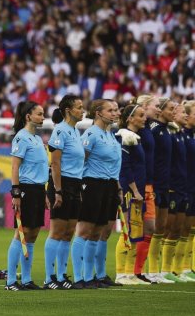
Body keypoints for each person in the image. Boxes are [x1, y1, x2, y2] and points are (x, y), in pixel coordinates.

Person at [70, 99, 121, 289]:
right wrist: (79, 185)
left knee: (98, 231)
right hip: (92, 184)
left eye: (116, 110)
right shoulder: (91, 134)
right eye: (111, 110)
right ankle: (78, 277)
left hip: (108, 185)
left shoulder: (110, 135)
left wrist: (116, 184)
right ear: (98, 113)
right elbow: (79, 160)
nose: (115, 113)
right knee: (85, 230)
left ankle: (92, 276)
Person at [5, 101, 48, 291]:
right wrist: (16, 192)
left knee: (33, 234)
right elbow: (15, 167)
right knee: (21, 233)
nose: (43, 117)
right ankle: (11, 281)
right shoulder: (21, 138)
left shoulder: (38, 139)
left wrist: (45, 192)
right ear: (28, 116)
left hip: (38, 189)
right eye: (39, 114)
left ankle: (27, 279)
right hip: (26, 189)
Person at [43, 94, 84, 289]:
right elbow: (56, 163)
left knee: (68, 232)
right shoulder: (60, 131)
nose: (82, 110)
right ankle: (50, 277)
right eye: (79, 107)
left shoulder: (75, 131)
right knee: (57, 231)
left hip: (75, 184)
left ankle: (61, 275)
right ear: (68, 110)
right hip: (62, 184)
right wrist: (57, 191)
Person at [128, 95, 162, 284]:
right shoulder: (133, 131)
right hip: (137, 185)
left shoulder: (149, 128)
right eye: (155, 106)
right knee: (135, 228)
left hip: (149, 184)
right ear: (143, 106)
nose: (158, 109)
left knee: (149, 227)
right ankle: (126, 272)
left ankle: (138, 271)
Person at [114, 103, 148, 285]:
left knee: (136, 231)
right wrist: (134, 190)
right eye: (141, 115)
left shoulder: (135, 137)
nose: (145, 118)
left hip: (139, 191)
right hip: (130, 191)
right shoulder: (123, 136)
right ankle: (121, 274)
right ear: (130, 119)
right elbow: (124, 167)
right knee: (127, 231)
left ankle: (130, 273)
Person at [160, 103, 189, 282]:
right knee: (167, 228)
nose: (185, 115)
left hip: (184, 187)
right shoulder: (170, 134)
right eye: (182, 112)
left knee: (179, 229)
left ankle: (177, 269)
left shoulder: (180, 135)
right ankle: (164, 269)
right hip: (171, 187)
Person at [147, 98, 175, 283]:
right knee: (154, 229)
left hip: (167, 185)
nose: (172, 112)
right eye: (170, 109)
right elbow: (151, 159)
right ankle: (151, 270)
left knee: (162, 228)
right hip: (156, 185)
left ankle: (157, 271)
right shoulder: (155, 131)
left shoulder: (167, 131)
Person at [179, 101, 195, 281]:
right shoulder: (181, 135)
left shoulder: (189, 136)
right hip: (183, 187)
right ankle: (176, 268)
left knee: (190, 230)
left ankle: (186, 267)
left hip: (190, 187)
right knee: (177, 229)